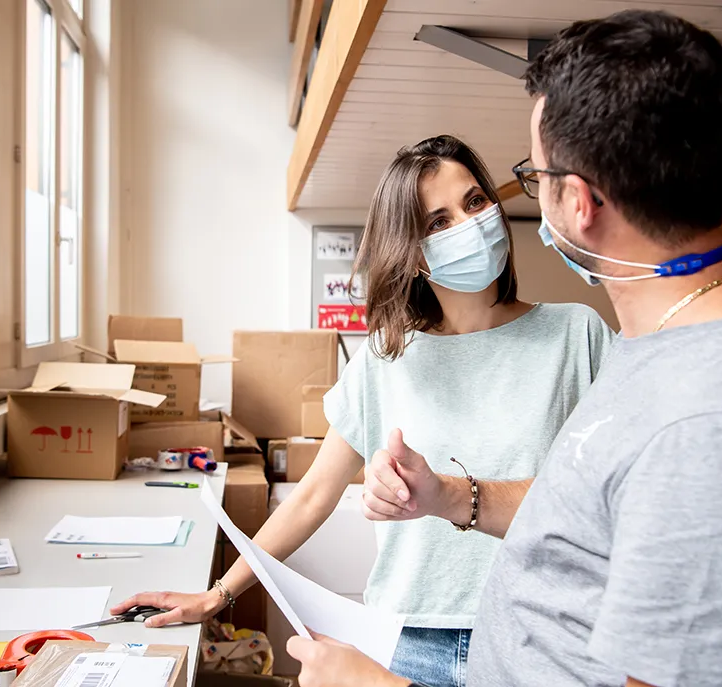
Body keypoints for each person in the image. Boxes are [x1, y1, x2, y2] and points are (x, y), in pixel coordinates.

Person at [287, 10, 722, 687]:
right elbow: (592, 521)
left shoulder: (720, 418)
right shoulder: (662, 353)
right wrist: (450, 495)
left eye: (532, 175)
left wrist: (380, 686)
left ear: (578, 201)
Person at [112, 134, 614, 687]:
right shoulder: (384, 357)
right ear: (413, 253)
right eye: (438, 222)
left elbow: (601, 501)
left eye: (475, 202)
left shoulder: (577, 335)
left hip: (536, 638)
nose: (469, 225)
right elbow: (310, 498)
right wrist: (218, 594)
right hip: (403, 642)